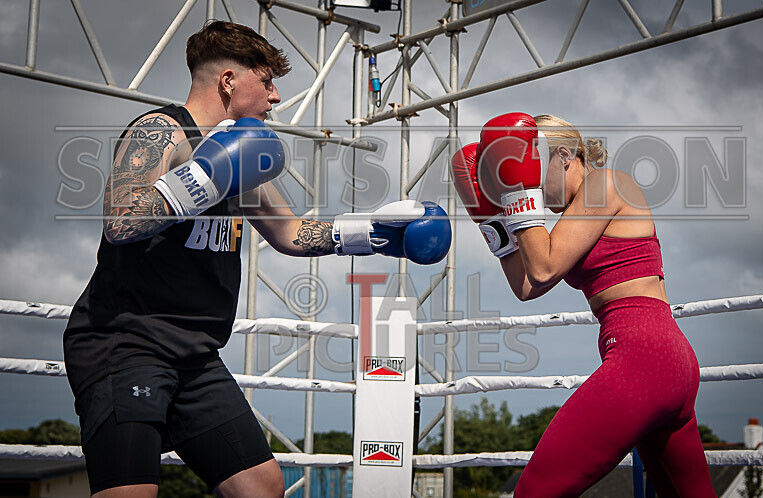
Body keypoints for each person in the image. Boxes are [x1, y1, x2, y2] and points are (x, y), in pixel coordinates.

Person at [64, 20, 451, 498]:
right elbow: (120, 220)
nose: (274, 98)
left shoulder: (247, 157)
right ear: (229, 80)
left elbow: (290, 233)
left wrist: (371, 231)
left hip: (195, 352)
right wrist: (205, 178)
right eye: (266, 82)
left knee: (262, 487)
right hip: (123, 343)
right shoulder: (160, 132)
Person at [451, 112, 716, 497]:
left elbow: (542, 269)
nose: (533, 189)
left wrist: (515, 195)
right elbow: (525, 285)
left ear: (562, 156)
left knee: (535, 492)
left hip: (645, 357)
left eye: (531, 171)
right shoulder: (577, 215)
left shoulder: (605, 185)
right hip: (661, 360)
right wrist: (492, 219)